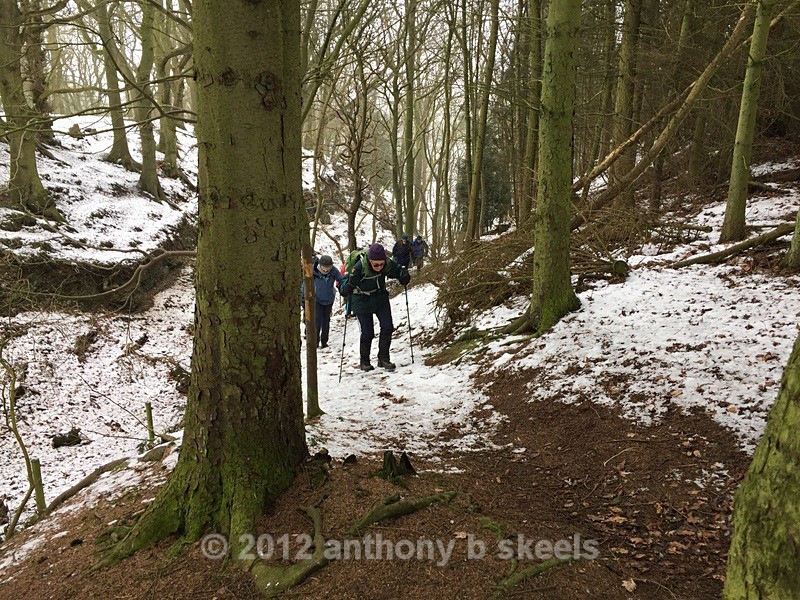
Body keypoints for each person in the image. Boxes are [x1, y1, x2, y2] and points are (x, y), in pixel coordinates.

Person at [340, 243, 410, 371]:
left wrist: (404, 276)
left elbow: (398, 271)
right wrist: (349, 285)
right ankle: (364, 361)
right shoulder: (359, 267)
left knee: (388, 327)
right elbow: (342, 288)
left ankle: (383, 359)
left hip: (379, 297)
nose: (379, 267)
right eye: (375, 264)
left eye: (381, 264)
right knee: (367, 332)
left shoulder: (387, 263)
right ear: (370, 260)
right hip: (361, 299)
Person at [301, 255, 343, 348]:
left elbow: (341, 280)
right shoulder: (313, 272)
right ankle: (315, 342)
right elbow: (304, 285)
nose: (326, 269)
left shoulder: (334, 271)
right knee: (317, 320)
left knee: (326, 320)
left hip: (329, 300)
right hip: (317, 300)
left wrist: (345, 287)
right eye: (324, 267)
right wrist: (303, 299)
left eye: (328, 267)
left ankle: (324, 342)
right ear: (320, 265)